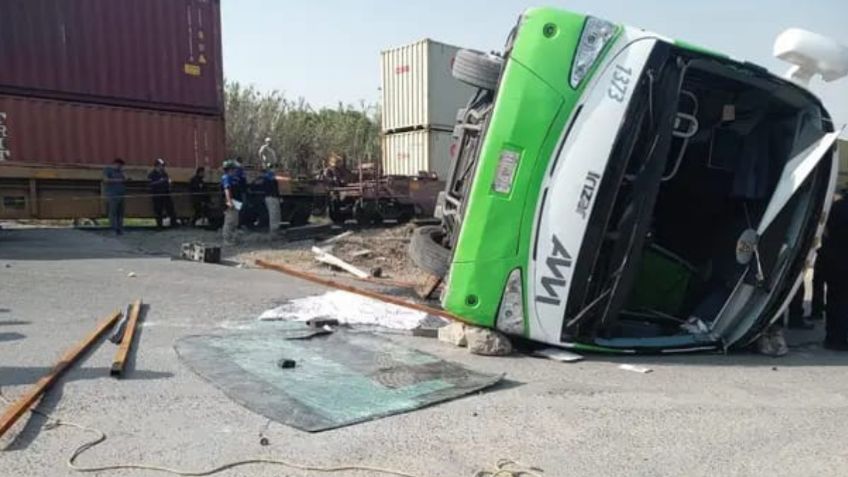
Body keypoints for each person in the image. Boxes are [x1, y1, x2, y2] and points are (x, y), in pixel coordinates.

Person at [820, 194, 848, 351]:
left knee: (833, 298)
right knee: (844, 301)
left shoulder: (836, 207)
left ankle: (831, 337)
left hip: (833, 259)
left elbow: (826, 230)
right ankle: (841, 337)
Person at [148, 158, 177, 229]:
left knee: (171, 209)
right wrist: (160, 181)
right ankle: (159, 225)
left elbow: (167, 180)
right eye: (161, 165)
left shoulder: (164, 173)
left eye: (163, 166)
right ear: (156, 166)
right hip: (157, 195)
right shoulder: (152, 174)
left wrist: (169, 182)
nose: (162, 167)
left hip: (166, 193)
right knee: (158, 211)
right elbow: (150, 184)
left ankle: (173, 224)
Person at [102, 158, 127, 235]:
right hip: (112, 195)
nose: (120, 167)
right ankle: (113, 228)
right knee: (113, 212)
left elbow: (125, 179)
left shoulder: (121, 172)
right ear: (115, 164)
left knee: (120, 213)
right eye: (119, 165)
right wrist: (117, 180)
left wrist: (125, 177)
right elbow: (105, 180)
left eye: (121, 166)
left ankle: (120, 229)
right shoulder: (108, 170)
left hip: (121, 195)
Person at [258, 162, 281, 238]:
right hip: (271, 197)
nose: (275, 169)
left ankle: (275, 232)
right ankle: (273, 234)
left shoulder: (268, 177)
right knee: (274, 215)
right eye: (273, 167)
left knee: (276, 215)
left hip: (272, 197)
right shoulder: (269, 177)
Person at [221, 162, 239, 245]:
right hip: (231, 202)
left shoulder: (233, 178)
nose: (235, 170)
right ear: (230, 169)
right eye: (234, 169)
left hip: (236, 202)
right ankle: (227, 239)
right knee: (229, 221)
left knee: (234, 221)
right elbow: (227, 190)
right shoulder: (226, 177)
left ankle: (232, 238)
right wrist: (229, 201)